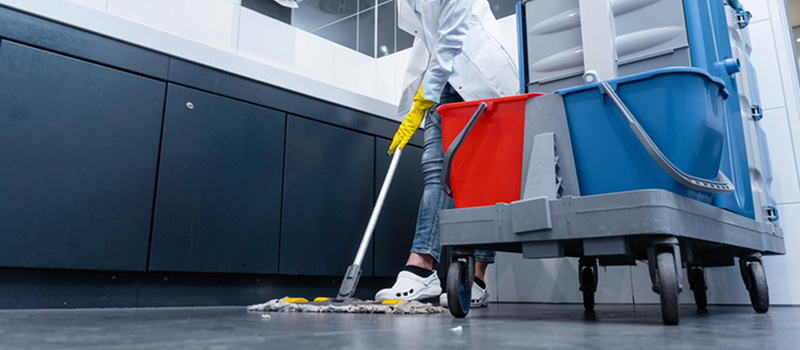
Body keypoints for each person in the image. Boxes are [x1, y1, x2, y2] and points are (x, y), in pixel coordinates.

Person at [374, 0, 518, 308]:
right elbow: (428, 36)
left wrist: (428, 89)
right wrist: (420, 93)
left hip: (481, 81)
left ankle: (477, 279)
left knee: (483, 181)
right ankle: (422, 267)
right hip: (442, 78)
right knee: (435, 172)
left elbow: (452, 33)